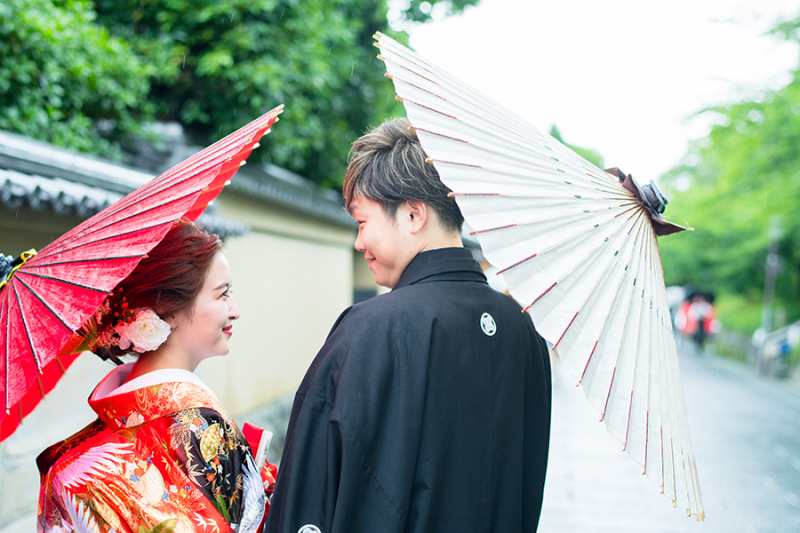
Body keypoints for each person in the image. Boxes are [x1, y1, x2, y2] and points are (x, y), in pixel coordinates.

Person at [266, 119, 552, 533]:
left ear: (414, 214)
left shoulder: (370, 328)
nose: (358, 243)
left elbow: (313, 485)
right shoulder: (525, 330)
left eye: (362, 223)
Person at [37, 219, 276, 533]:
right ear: (169, 310)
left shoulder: (67, 468)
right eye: (222, 295)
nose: (235, 310)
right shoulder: (200, 425)